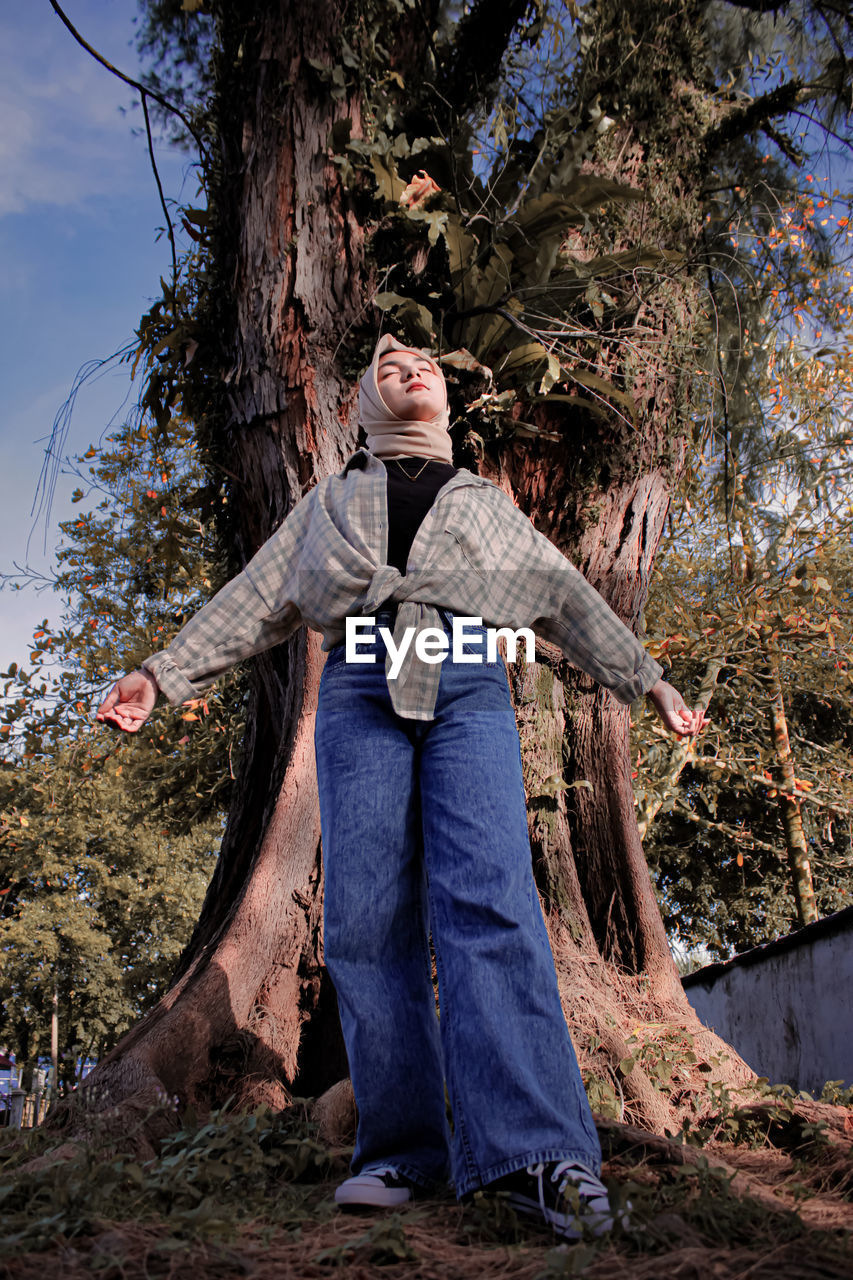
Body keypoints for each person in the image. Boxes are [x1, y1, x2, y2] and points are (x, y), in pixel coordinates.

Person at [97, 335, 705, 1238]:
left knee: (488, 899)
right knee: (365, 917)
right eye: (386, 368)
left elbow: (563, 595)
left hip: (464, 676)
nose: (409, 368)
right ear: (367, 409)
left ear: (445, 402)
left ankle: (535, 1152)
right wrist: (161, 675)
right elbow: (253, 598)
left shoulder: (480, 504)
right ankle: (399, 1149)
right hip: (359, 681)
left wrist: (644, 677)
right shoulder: (328, 503)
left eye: (423, 364)